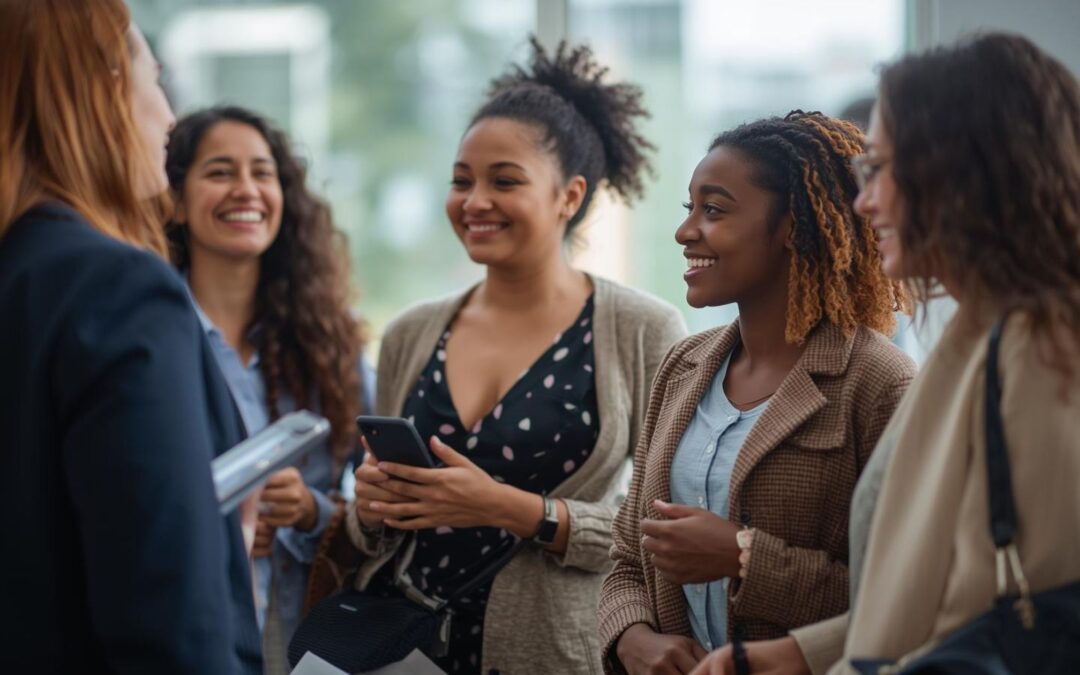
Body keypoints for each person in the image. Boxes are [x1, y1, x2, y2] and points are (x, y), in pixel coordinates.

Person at [689, 33, 1080, 675]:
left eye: (881, 170)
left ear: (962, 173)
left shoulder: (1042, 352)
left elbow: (1018, 617)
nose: (863, 201)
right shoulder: (975, 336)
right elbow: (931, 601)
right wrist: (795, 655)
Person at [310, 39, 686, 674]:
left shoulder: (643, 330)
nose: (474, 201)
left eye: (503, 181)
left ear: (569, 196)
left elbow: (661, 532)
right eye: (461, 181)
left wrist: (506, 508)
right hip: (393, 644)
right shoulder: (410, 332)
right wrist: (369, 509)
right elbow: (369, 531)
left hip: (546, 651)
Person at [598, 111, 916, 675]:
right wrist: (633, 637)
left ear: (794, 226)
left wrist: (743, 557)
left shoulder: (880, 385)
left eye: (714, 210)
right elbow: (627, 554)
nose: (685, 231)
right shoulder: (682, 366)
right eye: (689, 209)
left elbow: (904, 596)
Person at [0, 1, 260, 673]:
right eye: (156, 77)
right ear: (104, 88)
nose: (171, 116)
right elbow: (170, 625)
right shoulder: (117, 288)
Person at [164, 106, 374, 672]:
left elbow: (387, 499)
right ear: (176, 201)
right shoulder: (150, 338)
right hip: (187, 634)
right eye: (219, 172)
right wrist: (217, 528)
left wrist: (312, 512)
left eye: (262, 172)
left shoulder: (330, 344)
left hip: (307, 642)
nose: (245, 190)